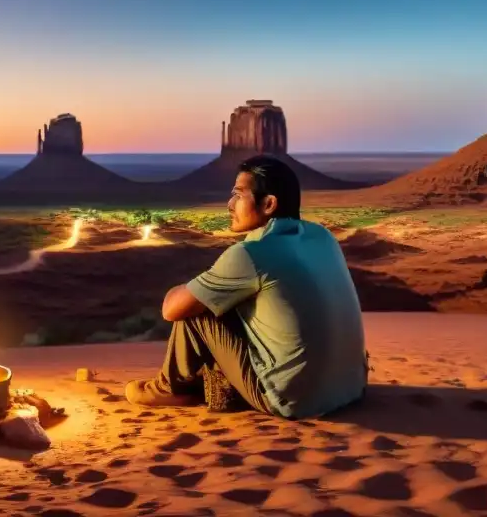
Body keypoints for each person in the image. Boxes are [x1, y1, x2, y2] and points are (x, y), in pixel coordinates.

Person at [124, 155, 367, 419]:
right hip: (351, 387)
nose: (230, 205)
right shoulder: (322, 236)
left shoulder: (250, 254)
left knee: (196, 313)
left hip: (293, 400)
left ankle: (168, 388)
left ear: (269, 204)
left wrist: (187, 289)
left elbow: (171, 310)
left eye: (238, 196)